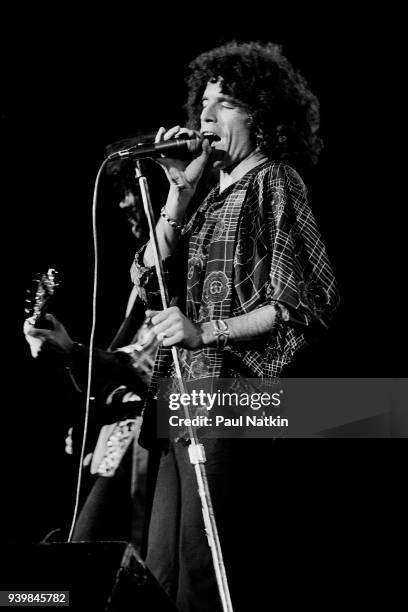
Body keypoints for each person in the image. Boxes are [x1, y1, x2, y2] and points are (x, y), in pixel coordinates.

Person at [131, 41, 340, 611]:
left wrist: (207, 332)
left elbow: (301, 302)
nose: (203, 114)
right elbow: (145, 276)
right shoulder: (201, 199)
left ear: (262, 116)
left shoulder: (275, 181)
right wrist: (179, 187)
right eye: (202, 100)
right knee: (159, 569)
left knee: (205, 566)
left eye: (224, 103)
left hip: (233, 392)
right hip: (179, 395)